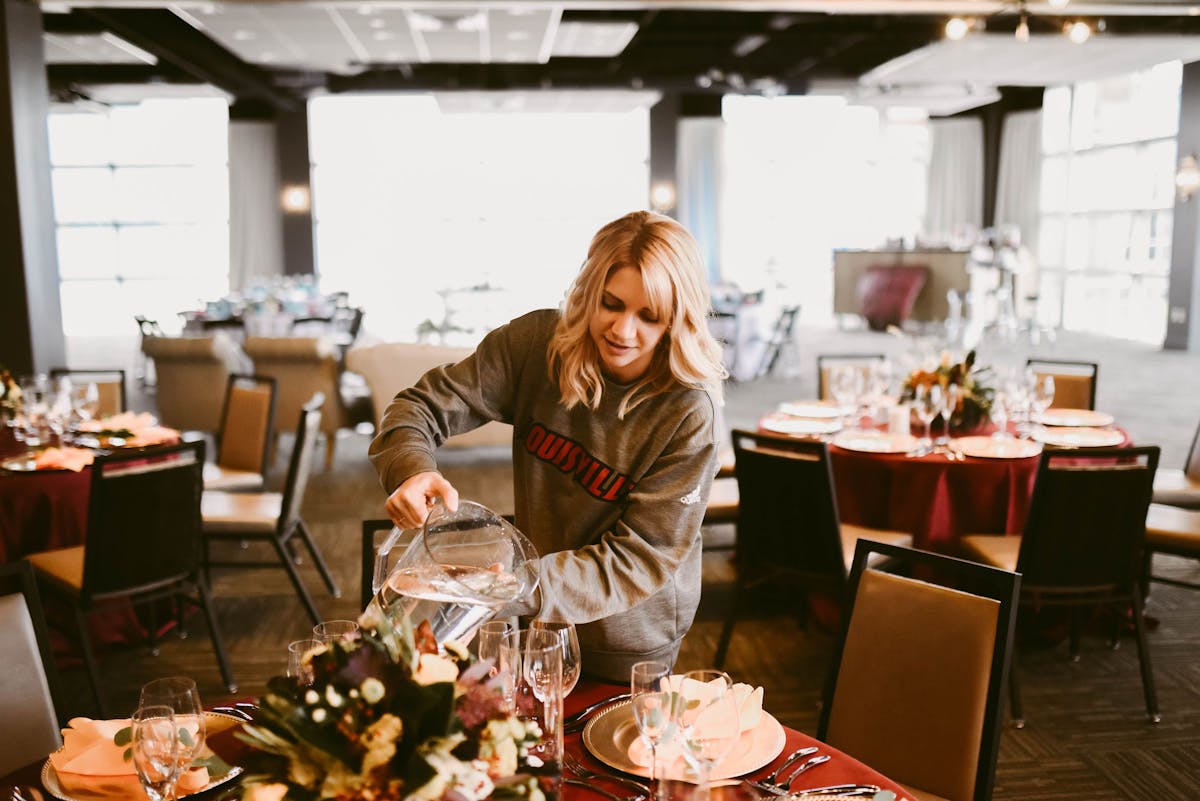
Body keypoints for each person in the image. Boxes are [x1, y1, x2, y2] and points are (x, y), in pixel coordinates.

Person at [369, 210, 728, 682]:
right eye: (611, 303)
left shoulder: (687, 410)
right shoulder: (537, 345)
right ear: (587, 292)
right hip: (537, 612)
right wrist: (413, 469)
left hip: (629, 634)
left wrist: (518, 584)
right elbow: (419, 407)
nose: (623, 331)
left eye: (649, 316)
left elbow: (642, 556)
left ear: (676, 321)